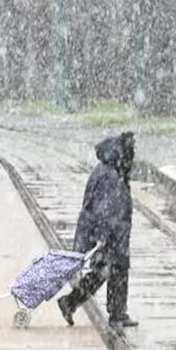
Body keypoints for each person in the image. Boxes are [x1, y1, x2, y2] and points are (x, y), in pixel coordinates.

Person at [57, 132, 140, 329]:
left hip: (111, 232)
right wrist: (103, 237)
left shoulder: (108, 170)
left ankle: (114, 311)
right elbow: (105, 210)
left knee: (109, 271)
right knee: (108, 271)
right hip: (109, 234)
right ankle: (108, 311)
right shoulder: (111, 176)